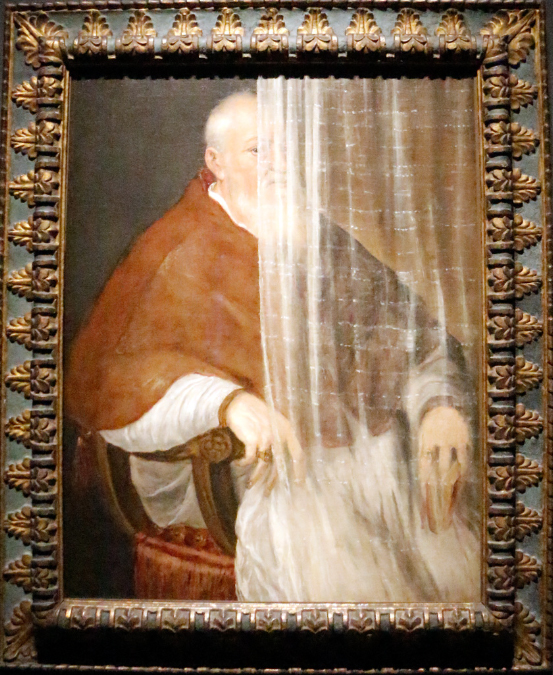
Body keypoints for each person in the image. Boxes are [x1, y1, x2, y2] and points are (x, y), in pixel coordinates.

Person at [66, 91, 480, 603]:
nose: (280, 164)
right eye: (259, 150)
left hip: (361, 461)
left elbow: (412, 334)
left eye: (288, 148)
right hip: (235, 477)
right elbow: (108, 377)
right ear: (215, 162)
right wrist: (226, 402)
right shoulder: (176, 248)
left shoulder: (316, 236)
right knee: (332, 544)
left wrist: (441, 405)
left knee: (439, 528)